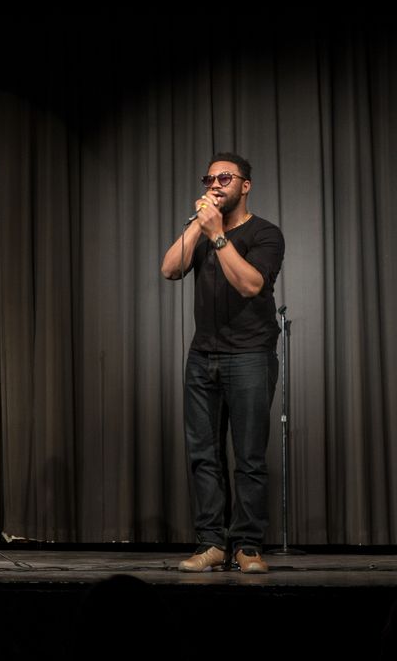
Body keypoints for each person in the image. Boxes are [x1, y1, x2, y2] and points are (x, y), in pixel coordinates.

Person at [161, 153, 284, 573]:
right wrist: (200, 224)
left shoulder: (265, 233)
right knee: (203, 455)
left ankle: (248, 546)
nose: (216, 184)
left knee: (248, 456)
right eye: (210, 178)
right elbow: (169, 269)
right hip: (203, 356)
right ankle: (211, 543)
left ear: (244, 185)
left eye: (225, 178)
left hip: (250, 354)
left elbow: (251, 284)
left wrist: (218, 235)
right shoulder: (202, 229)